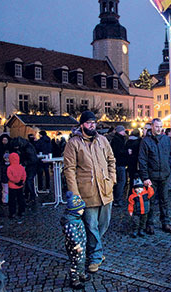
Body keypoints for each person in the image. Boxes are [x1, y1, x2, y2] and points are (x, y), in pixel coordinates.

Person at [63, 111, 116, 273]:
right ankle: (95, 256)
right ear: (82, 125)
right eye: (88, 122)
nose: (92, 125)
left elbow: (111, 160)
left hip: (105, 190)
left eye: (93, 122)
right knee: (91, 226)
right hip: (87, 191)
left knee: (103, 225)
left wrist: (112, 178)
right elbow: (69, 169)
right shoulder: (73, 143)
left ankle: (93, 248)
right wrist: (75, 193)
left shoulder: (103, 140)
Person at [138, 118, 171, 234]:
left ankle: (165, 222)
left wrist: (169, 169)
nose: (159, 129)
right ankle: (149, 223)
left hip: (164, 175)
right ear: (152, 127)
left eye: (160, 126)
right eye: (157, 126)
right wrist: (145, 177)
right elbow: (142, 160)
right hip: (151, 177)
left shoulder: (166, 139)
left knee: (165, 200)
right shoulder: (145, 141)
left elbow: (170, 156)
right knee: (151, 201)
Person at [60, 191, 90, 289]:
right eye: (81, 209)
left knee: (81, 261)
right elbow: (72, 236)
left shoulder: (76, 218)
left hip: (81, 245)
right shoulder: (70, 222)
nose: (83, 210)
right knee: (76, 262)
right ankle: (74, 279)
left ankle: (81, 274)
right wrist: (77, 245)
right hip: (75, 247)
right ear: (75, 210)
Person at [10, 137, 38, 204]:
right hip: (30, 166)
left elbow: (33, 159)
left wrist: (23, 163)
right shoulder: (25, 146)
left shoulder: (27, 148)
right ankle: (28, 196)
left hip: (31, 166)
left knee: (29, 181)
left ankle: (31, 196)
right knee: (28, 181)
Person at [110, 125, 128, 207]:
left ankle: (116, 199)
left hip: (118, 163)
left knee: (118, 182)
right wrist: (127, 152)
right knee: (121, 182)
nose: (124, 132)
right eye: (123, 130)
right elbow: (118, 151)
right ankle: (117, 199)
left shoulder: (116, 139)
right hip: (120, 163)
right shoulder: (118, 140)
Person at [7, 153, 26, 219]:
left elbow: (9, 177)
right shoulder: (21, 167)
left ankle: (12, 213)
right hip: (20, 186)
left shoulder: (9, 168)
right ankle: (21, 211)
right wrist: (21, 182)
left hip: (12, 186)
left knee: (12, 200)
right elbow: (24, 175)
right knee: (20, 199)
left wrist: (15, 181)